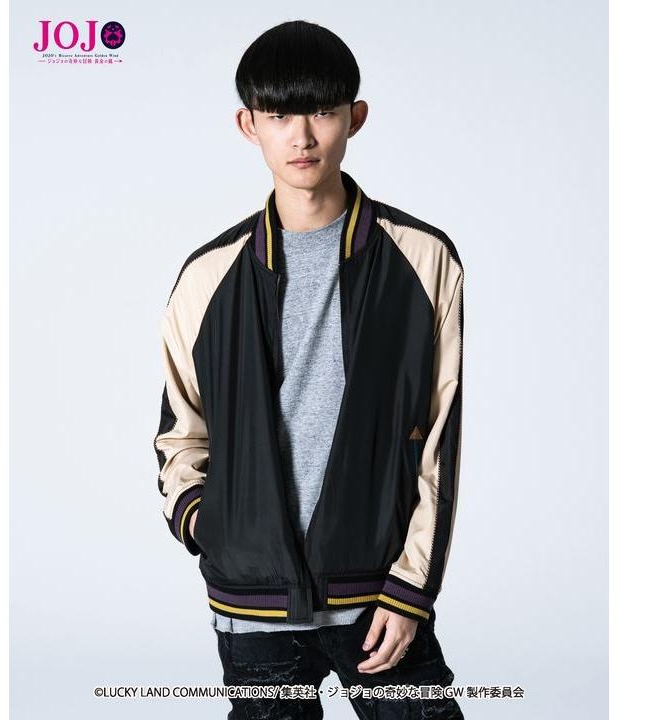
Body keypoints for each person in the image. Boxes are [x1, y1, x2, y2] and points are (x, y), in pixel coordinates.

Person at [154, 19, 465, 720]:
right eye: (278, 115)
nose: (301, 136)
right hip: (251, 598)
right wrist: (210, 524)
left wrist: (412, 588)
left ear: (355, 117)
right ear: (249, 125)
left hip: (379, 593)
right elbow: (180, 429)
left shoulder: (422, 260)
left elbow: (441, 435)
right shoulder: (207, 276)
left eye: (322, 111)